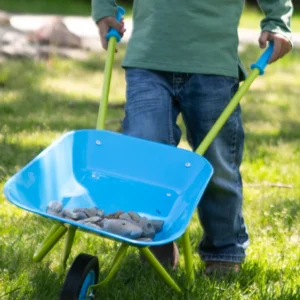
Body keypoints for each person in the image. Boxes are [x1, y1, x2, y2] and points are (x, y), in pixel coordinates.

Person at [91, 0, 293, 274]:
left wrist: (277, 20)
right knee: (146, 153)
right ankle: (156, 237)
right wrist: (103, 8)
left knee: (217, 164)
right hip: (148, 59)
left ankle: (224, 249)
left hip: (213, 63)